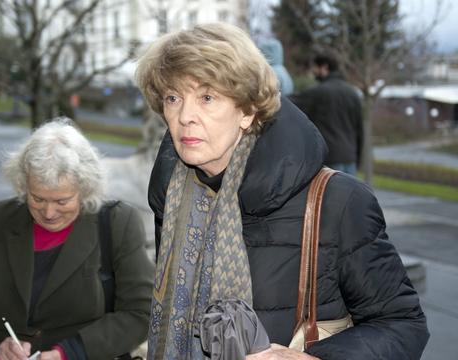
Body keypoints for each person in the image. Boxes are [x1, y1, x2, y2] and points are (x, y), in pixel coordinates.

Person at [135, 23, 428, 359]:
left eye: (207, 97)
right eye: (173, 98)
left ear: (247, 111)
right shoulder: (172, 200)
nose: (186, 116)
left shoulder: (338, 201)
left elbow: (403, 323)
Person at [0, 118, 154, 360]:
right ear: (23, 184)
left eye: (62, 201)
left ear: (86, 188)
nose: (49, 213)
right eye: (37, 199)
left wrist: (70, 352)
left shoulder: (117, 222)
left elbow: (140, 313)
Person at [291, 53, 363, 175]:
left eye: (315, 68)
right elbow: (359, 130)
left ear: (324, 67)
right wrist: (358, 158)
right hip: (350, 158)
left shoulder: (319, 93)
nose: (313, 72)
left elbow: (290, 103)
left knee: (328, 194)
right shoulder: (353, 93)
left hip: (330, 158)